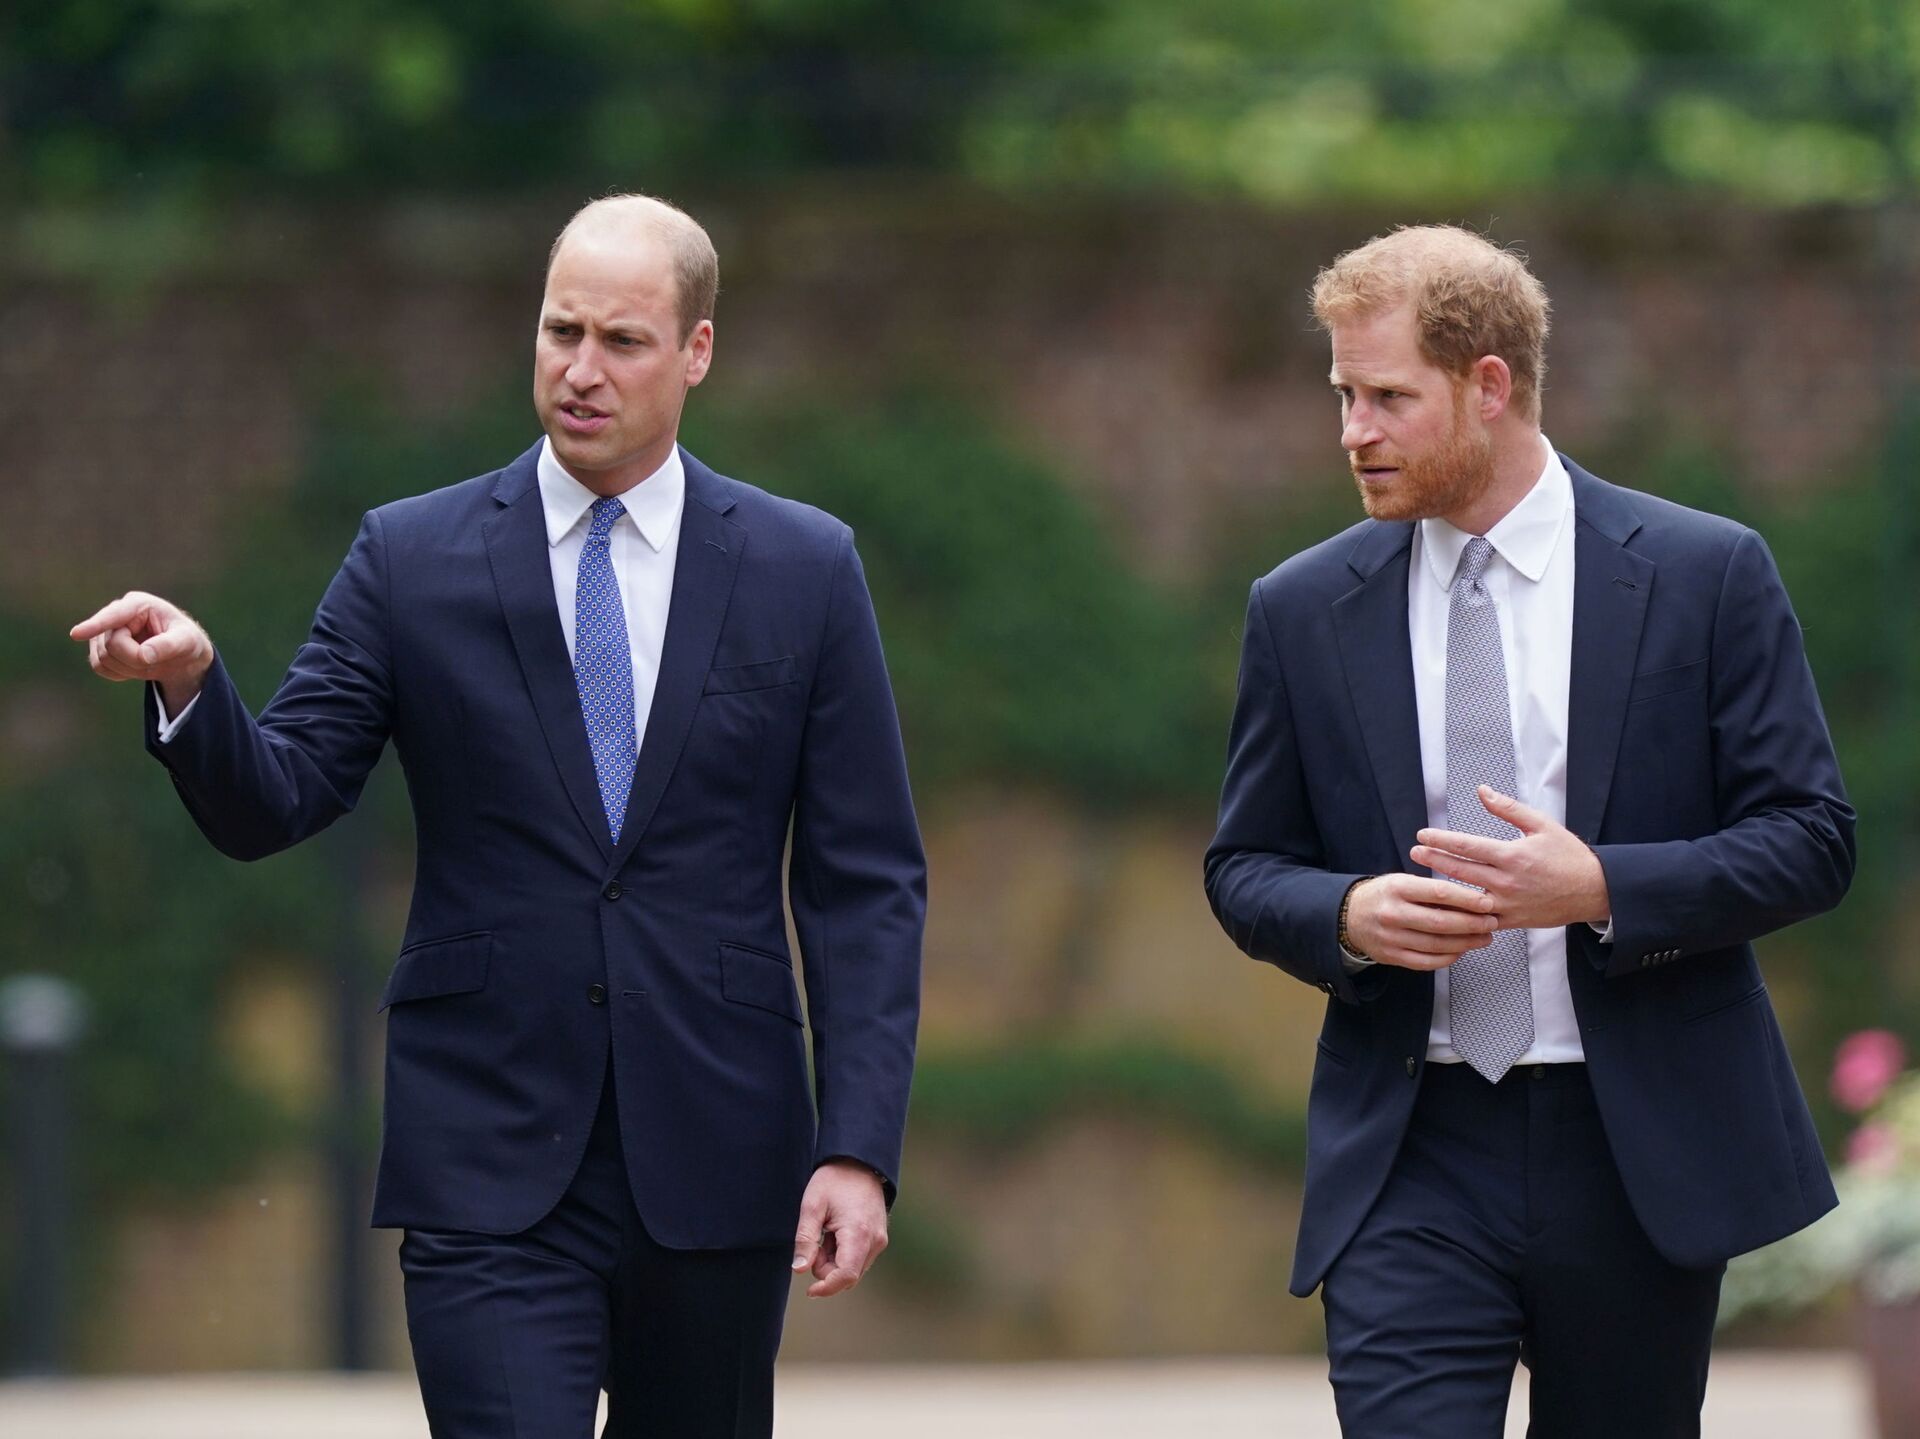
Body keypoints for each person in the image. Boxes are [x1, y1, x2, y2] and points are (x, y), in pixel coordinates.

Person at [71, 194, 926, 1438]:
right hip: (486, 1156)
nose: (581, 370)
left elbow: (865, 882)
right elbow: (279, 794)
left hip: (720, 1150)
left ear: (695, 351)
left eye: (622, 341)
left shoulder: (805, 568)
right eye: (560, 330)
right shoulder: (408, 558)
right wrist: (194, 687)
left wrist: (855, 1144)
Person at [1203, 225, 1853, 1437]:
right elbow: (1243, 866)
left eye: (1388, 397)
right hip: (1412, 1145)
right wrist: (1347, 912)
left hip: (1635, 1147)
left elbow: (1812, 836)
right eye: (1344, 394)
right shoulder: (1300, 607)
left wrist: (1601, 885)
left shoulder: (1706, 572)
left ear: (1489, 384)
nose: (1352, 429)